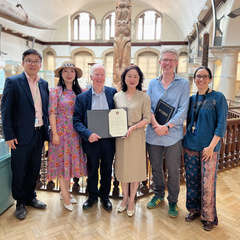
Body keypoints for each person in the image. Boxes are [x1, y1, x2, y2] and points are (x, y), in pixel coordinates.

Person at [1, 49, 49, 220]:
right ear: (23, 63)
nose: (33, 64)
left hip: (39, 133)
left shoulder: (43, 84)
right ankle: (20, 202)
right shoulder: (13, 82)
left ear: (40, 64)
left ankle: (30, 197)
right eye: (29, 60)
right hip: (20, 136)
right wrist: (9, 135)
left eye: (36, 61)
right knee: (19, 169)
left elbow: (45, 108)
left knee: (34, 168)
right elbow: (6, 111)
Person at [146, 48, 190, 218]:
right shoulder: (152, 84)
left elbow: (183, 110)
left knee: (173, 169)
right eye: (165, 60)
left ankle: (173, 201)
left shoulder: (184, 84)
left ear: (176, 63)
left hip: (173, 136)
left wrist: (167, 127)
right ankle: (158, 195)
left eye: (171, 60)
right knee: (156, 168)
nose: (167, 63)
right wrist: (157, 125)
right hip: (153, 134)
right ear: (160, 63)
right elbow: (148, 107)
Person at [183, 66, 228, 231]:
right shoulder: (192, 99)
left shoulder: (218, 97)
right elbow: (189, 121)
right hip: (190, 146)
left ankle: (208, 217)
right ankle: (193, 209)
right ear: (194, 79)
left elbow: (221, 125)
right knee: (192, 181)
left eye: (204, 76)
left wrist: (211, 147)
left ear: (209, 78)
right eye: (197, 76)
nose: (200, 79)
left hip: (209, 149)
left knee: (208, 183)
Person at [73, 63, 117, 211]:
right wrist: (88, 134)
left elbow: (118, 116)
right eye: (96, 74)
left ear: (105, 77)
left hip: (109, 140)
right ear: (91, 77)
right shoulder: (82, 97)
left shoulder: (113, 93)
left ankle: (105, 196)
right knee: (92, 169)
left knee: (106, 169)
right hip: (91, 140)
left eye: (102, 74)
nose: (99, 77)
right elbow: (77, 121)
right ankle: (92, 196)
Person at [47, 61, 87, 211]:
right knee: (62, 162)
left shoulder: (81, 91)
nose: (69, 74)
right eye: (66, 71)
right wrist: (55, 134)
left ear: (76, 74)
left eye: (72, 71)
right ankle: (64, 193)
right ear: (61, 74)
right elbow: (52, 113)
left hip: (76, 134)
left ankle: (66, 191)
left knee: (70, 163)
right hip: (61, 134)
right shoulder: (56, 91)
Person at [114, 65, 151, 217]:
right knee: (123, 168)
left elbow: (147, 118)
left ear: (139, 79)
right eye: (129, 76)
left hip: (136, 136)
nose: (132, 79)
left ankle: (131, 201)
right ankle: (124, 198)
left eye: (135, 76)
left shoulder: (144, 97)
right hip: (121, 137)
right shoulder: (117, 96)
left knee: (135, 169)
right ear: (124, 78)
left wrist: (133, 128)